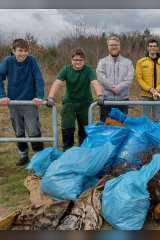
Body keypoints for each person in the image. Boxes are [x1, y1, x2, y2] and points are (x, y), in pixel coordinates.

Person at [46, 48, 103, 151]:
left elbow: (94, 82)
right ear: (71, 60)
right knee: (67, 127)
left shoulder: (88, 69)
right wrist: (51, 97)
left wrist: (100, 95)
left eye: (80, 60)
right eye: (75, 59)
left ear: (84, 61)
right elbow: (57, 82)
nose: (78, 62)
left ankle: (84, 149)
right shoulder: (66, 69)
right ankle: (68, 150)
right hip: (70, 102)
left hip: (85, 103)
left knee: (84, 128)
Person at [0, 38, 44, 166]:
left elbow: (38, 79)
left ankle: (39, 156)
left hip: (30, 102)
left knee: (33, 129)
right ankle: (23, 155)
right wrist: (2, 95)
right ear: (13, 51)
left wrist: (39, 96)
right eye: (20, 51)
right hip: (14, 102)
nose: (23, 53)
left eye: (25, 51)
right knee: (18, 130)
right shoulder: (8, 61)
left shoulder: (32, 61)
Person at [96, 35, 134, 122]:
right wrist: (112, 87)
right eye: (111, 45)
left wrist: (119, 88)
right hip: (106, 101)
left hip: (123, 101)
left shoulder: (128, 63)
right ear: (108, 46)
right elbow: (100, 76)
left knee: (121, 126)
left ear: (119, 46)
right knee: (105, 126)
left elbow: (129, 79)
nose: (114, 47)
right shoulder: (102, 62)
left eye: (116, 45)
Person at [136, 39, 160, 121]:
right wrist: (150, 89)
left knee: (156, 117)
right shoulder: (141, 62)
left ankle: (154, 133)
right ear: (147, 48)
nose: (152, 48)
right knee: (145, 117)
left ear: (157, 48)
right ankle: (145, 132)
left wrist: (157, 90)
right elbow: (138, 78)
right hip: (146, 94)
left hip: (159, 94)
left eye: (154, 46)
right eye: (150, 46)